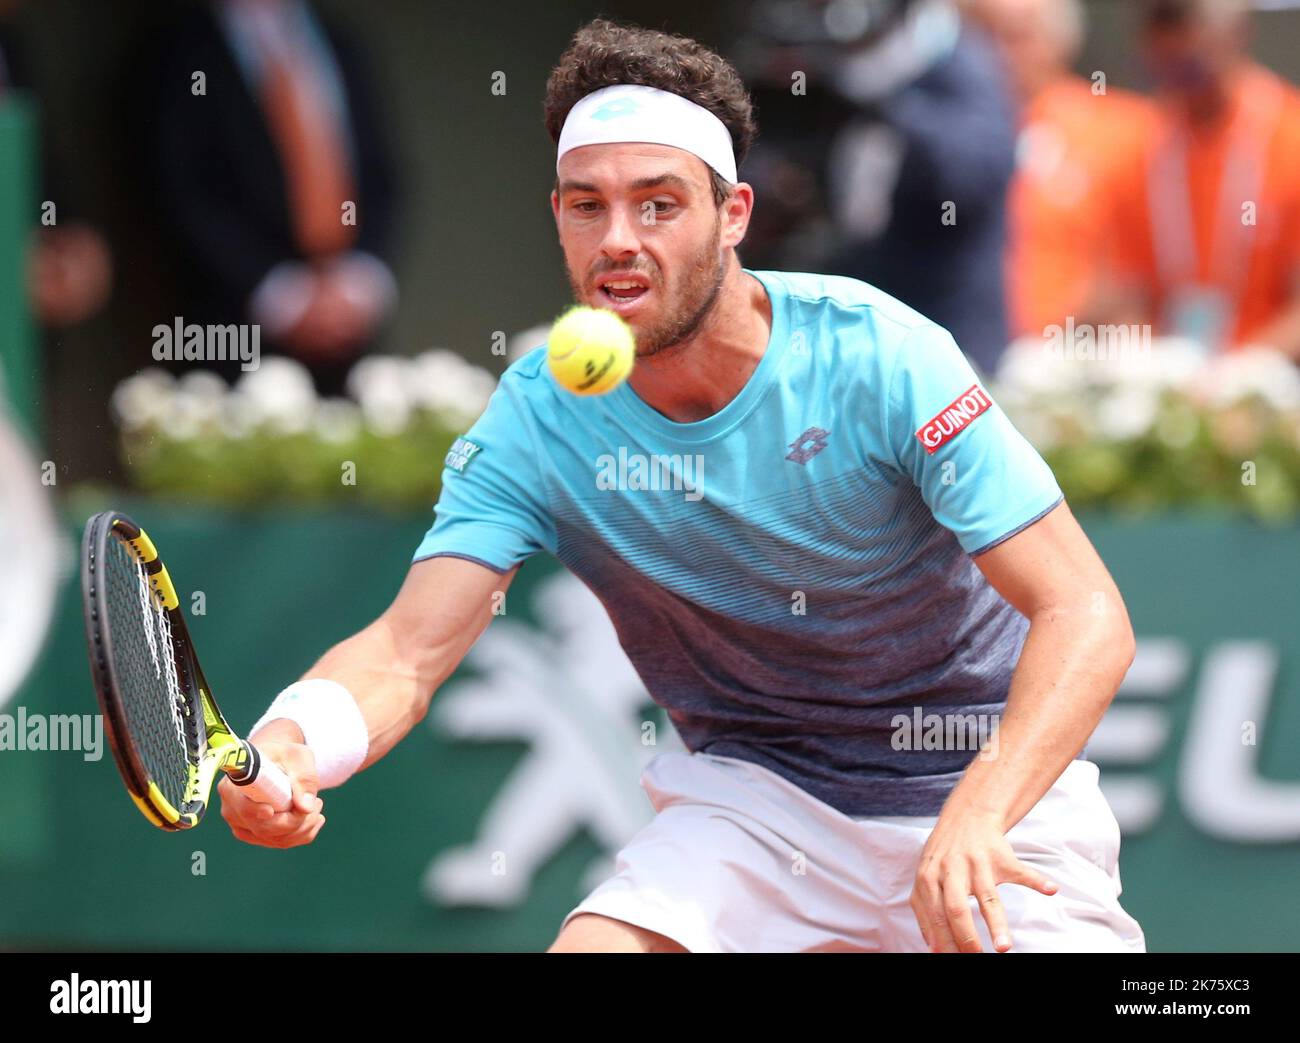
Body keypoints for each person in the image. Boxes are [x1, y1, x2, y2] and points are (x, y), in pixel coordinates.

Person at [219, 18, 1145, 954]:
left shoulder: (884, 356)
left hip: (982, 787)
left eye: (657, 204)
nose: (618, 240)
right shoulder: (540, 418)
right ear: (559, 217)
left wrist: (981, 809)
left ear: (733, 213)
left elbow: (1086, 610)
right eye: (588, 206)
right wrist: (294, 740)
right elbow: (405, 653)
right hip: (758, 802)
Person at [150, 0, 399, 394]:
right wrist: (284, 297)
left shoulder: (342, 42)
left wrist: (358, 285)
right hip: (227, 338)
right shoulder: (180, 50)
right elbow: (181, 190)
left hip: (348, 332)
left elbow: (383, 174)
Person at [1090, 0, 1300, 359]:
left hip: (1273, 383)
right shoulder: (1142, 149)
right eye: (1160, 29)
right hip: (1173, 382)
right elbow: (1128, 292)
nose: (1174, 46)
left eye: (1186, 27)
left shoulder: (1288, 137)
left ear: (1237, 32)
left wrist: (1236, 374)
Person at [965, 0, 1158, 339]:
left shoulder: (1127, 129)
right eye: (981, 38)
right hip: (971, 348)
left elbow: (1144, 269)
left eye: (1015, 38)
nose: (997, 56)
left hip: (1082, 353)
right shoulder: (947, 135)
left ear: (1058, 40)